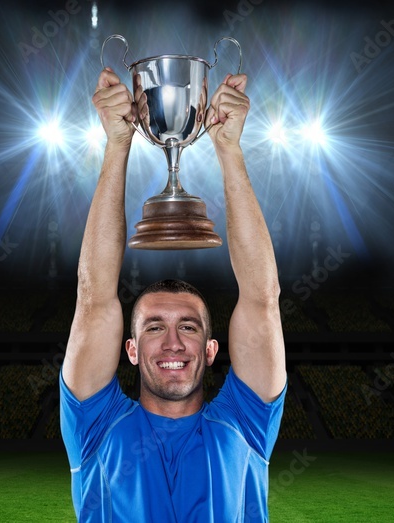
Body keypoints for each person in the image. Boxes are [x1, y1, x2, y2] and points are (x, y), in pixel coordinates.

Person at [60, 66, 287, 522]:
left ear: (209, 349)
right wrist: (117, 145)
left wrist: (230, 151)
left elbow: (263, 298)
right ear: (130, 348)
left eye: (188, 327)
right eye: (153, 328)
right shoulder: (95, 427)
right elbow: (94, 298)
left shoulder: (245, 425)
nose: (172, 342)